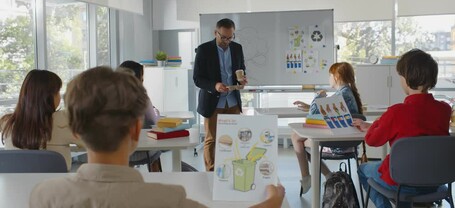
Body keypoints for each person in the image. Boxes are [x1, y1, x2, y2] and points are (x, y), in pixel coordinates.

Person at [29, 66, 285, 208]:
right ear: (135, 129)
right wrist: (273, 201)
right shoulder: (168, 200)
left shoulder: (45, 196)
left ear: (75, 129)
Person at [352, 49, 451, 208]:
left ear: (406, 78)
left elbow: (371, 140)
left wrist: (377, 122)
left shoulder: (397, 112)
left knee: (363, 170)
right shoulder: (444, 110)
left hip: (401, 182)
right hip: (434, 182)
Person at [291, 62, 363, 194]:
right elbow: (328, 111)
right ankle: (326, 176)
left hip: (337, 143)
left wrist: (318, 97)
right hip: (348, 143)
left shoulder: (341, 95)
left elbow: (313, 115)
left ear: (337, 76)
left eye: (330, 75)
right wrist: (310, 105)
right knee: (299, 141)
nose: (329, 78)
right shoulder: (347, 93)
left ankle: (308, 178)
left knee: (296, 138)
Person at [0, 69, 84, 171]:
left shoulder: (7, 122)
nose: (60, 97)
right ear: (48, 97)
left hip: (15, 186)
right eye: (57, 92)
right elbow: (93, 144)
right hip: (56, 186)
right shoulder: (63, 121)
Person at [193, 18, 248, 171]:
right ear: (215, 33)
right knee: (212, 139)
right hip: (213, 102)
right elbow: (197, 79)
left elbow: (241, 68)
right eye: (223, 37)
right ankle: (211, 174)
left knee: (233, 139)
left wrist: (242, 79)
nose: (227, 41)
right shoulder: (204, 49)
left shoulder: (237, 48)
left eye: (230, 37)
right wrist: (215, 85)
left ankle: (230, 171)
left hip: (232, 101)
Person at [118, 60, 162, 172]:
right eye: (142, 78)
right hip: (144, 151)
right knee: (157, 151)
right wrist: (157, 113)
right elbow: (153, 121)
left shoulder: (112, 98)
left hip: (120, 152)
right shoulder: (142, 98)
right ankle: (157, 178)